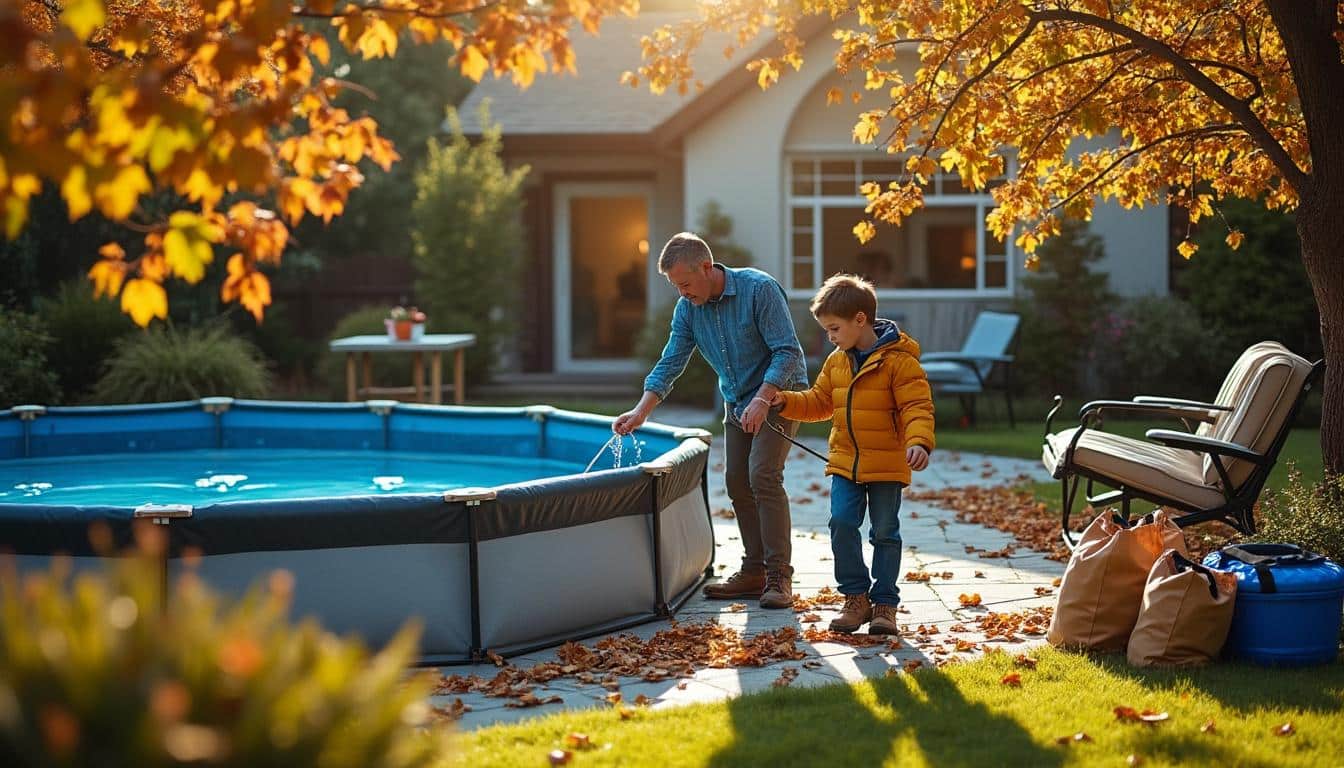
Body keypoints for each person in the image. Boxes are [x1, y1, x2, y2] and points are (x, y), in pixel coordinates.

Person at [614, 232, 808, 609]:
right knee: (736, 479)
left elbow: (787, 351)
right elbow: (672, 359)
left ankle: (778, 575)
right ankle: (754, 571)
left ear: (706, 267)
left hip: (781, 393)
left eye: (685, 284)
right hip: (737, 401)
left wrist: (763, 399)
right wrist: (640, 411)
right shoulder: (688, 309)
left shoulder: (759, 290)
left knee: (763, 475)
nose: (682, 293)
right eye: (676, 287)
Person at [769, 273, 934, 634]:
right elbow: (819, 402)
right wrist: (785, 401)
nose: (830, 336)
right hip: (845, 462)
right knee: (842, 524)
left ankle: (885, 605)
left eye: (833, 328)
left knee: (885, 533)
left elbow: (917, 407)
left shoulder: (900, 362)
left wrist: (918, 441)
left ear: (860, 320)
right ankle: (856, 599)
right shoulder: (837, 361)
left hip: (887, 465)